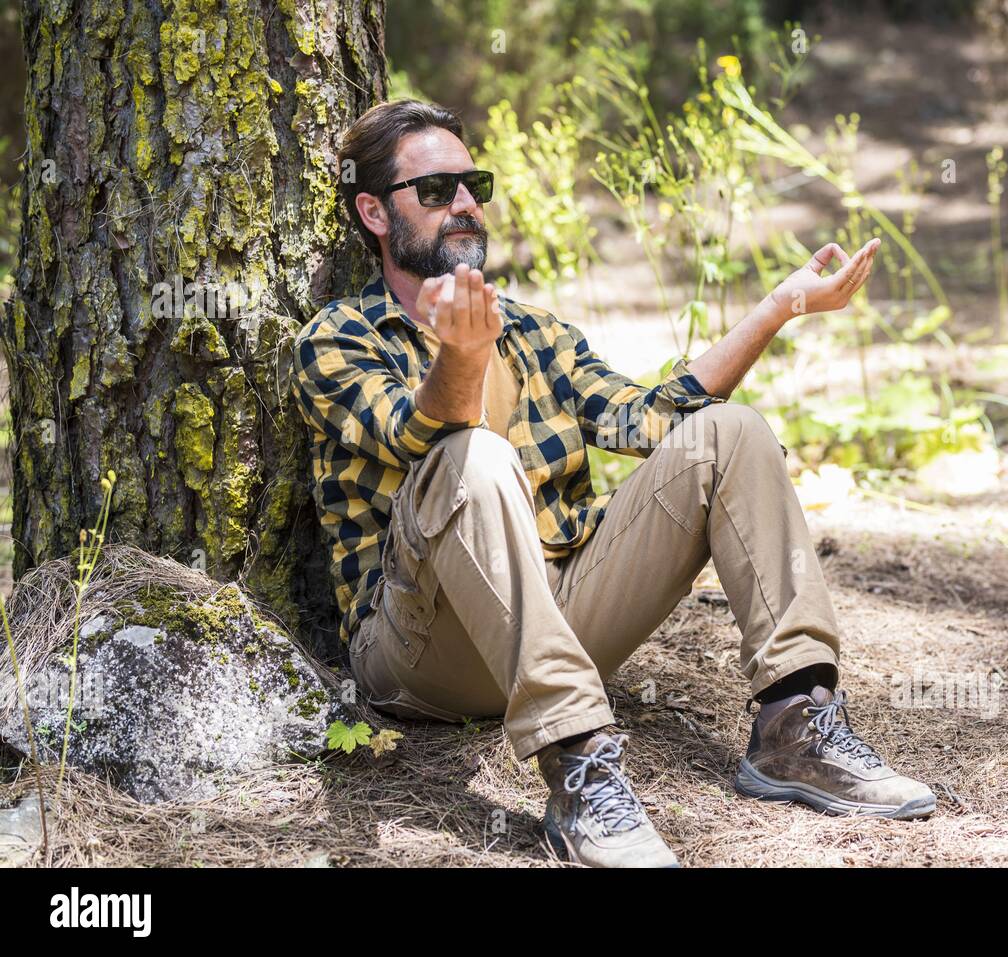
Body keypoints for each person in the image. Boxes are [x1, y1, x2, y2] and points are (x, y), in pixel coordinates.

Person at [291, 99, 935, 868]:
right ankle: (579, 772)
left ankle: (794, 726)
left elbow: (654, 421)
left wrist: (777, 308)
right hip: (426, 650)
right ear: (374, 210)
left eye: (474, 184)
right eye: (436, 190)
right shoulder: (337, 338)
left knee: (731, 430)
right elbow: (415, 436)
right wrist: (460, 356)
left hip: (561, 614)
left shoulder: (536, 333)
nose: (464, 204)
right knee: (476, 457)